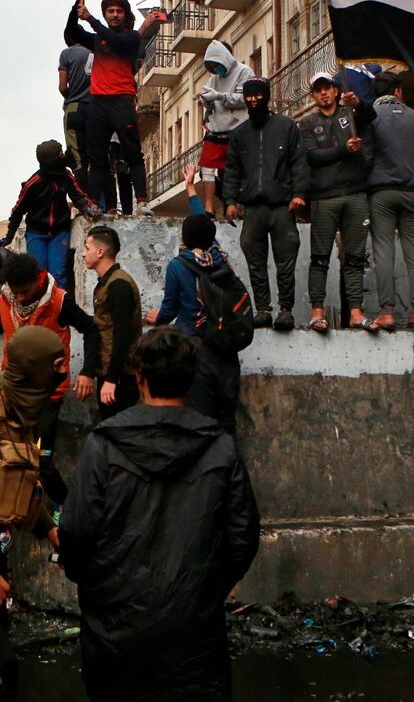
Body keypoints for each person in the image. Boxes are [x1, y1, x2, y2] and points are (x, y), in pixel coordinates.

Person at [59, 326, 260, 702]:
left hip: (116, 624)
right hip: (193, 625)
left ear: (140, 379)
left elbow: (76, 531)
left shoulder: (103, 444)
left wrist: (99, 586)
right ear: (190, 378)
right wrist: (206, 586)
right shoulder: (220, 446)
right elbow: (243, 537)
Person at [146, 164, 241, 433]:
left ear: (185, 238)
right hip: (226, 348)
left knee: (201, 421)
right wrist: (190, 186)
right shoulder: (218, 255)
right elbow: (202, 219)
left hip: (197, 351)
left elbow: (169, 310)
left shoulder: (178, 265)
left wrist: (157, 319)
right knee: (227, 422)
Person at [0, 253, 100, 506]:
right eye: (16, 292)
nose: (21, 297)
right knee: (11, 457)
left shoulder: (59, 300)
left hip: (48, 397)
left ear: (38, 279)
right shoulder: (4, 298)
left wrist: (88, 371)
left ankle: (67, 509)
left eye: (26, 291)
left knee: (43, 459)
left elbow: (91, 329)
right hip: (13, 394)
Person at [0, 328, 65, 699]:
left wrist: (50, 530)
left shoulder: (24, 415)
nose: (62, 372)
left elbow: (20, 485)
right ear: (33, 368)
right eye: (55, 365)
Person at [222, 76, 308, 330]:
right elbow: (232, 170)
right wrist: (229, 201)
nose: (253, 100)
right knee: (255, 260)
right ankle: (263, 309)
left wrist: (299, 193)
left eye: (258, 95)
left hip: (283, 206)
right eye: (249, 96)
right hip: (253, 209)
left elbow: (299, 163)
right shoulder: (239, 134)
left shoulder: (286, 126)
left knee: (286, 260)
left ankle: (285, 310)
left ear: (267, 96)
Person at [65, 0, 158, 215]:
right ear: (106, 14)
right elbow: (70, 33)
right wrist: (76, 3)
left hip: (122, 102)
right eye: (110, 11)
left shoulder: (132, 39)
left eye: (118, 11)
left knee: (132, 153)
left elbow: (118, 42)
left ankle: (142, 201)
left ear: (125, 15)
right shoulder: (97, 40)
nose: (114, 14)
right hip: (98, 103)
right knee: (96, 158)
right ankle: (95, 203)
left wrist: (92, 19)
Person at [299, 72, 376, 332]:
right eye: (318, 90)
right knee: (319, 258)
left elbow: (371, 117)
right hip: (324, 198)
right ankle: (317, 311)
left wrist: (359, 104)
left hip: (355, 193)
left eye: (327, 88)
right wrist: (344, 150)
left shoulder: (349, 114)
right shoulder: (307, 123)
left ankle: (355, 311)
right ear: (313, 95)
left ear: (335, 90)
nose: (323, 93)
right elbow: (312, 156)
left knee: (355, 258)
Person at [361, 71, 414, 331]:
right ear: (399, 91)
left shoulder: (371, 118)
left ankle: (387, 312)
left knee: (384, 250)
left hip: (381, 192)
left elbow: (366, 156)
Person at [0, 141, 97, 288]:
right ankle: (41, 308)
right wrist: (9, 236)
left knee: (59, 275)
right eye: (60, 154)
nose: (64, 156)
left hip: (60, 232)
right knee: (39, 275)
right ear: (51, 160)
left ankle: (60, 309)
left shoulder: (66, 175)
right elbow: (18, 210)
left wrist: (86, 207)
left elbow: (77, 195)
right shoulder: (33, 183)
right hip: (36, 234)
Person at [82, 226, 142, 420]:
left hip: (121, 378)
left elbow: (122, 334)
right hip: (110, 372)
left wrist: (111, 379)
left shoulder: (119, 285)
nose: (83, 254)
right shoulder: (107, 282)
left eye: (86, 248)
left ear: (100, 251)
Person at [196, 41, 254, 217]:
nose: (215, 68)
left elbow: (244, 98)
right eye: (211, 65)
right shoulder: (214, 77)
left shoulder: (244, 72)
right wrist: (205, 100)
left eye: (217, 64)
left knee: (237, 170)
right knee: (206, 168)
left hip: (238, 128)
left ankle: (240, 206)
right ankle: (208, 208)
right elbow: (210, 100)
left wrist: (220, 96)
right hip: (217, 128)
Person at [59, 41, 92, 190]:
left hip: (74, 108)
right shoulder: (95, 53)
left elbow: (62, 87)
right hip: (95, 109)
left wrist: (71, 96)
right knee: (97, 157)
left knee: (78, 159)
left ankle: (84, 204)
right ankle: (102, 202)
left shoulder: (67, 53)